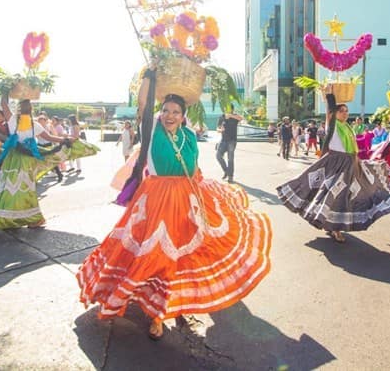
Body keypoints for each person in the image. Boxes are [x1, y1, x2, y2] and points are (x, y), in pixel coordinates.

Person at [77, 68, 271, 341]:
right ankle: (156, 316)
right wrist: (150, 77)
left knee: (182, 258)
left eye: (175, 112)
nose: (170, 116)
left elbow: (193, 170)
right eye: (166, 110)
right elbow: (143, 105)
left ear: (183, 116)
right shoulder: (152, 129)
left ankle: (167, 306)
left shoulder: (190, 136)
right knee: (154, 255)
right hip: (155, 201)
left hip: (185, 201)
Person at [276, 88, 390, 244]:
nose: (345, 113)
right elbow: (330, 112)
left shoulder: (348, 128)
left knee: (354, 195)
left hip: (351, 164)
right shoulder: (332, 125)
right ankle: (335, 229)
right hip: (337, 165)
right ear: (335, 114)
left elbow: (354, 147)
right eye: (341, 111)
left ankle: (335, 225)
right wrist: (329, 95)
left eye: (346, 111)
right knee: (336, 195)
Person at [0, 95, 69, 229]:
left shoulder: (14, 120)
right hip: (26, 160)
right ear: (31, 110)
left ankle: (5, 217)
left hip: (12, 158)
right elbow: (50, 137)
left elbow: (3, 104)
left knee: (7, 187)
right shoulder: (34, 125)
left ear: (18, 108)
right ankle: (30, 219)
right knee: (25, 189)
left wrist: (5, 90)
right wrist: (65, 140)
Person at [215, 104, 243, 183]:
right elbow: (217, 128)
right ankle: (226, 171)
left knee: (230, 159)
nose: (226, 110)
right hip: (223, 140)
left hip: (232, 140)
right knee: (218, 156)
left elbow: (241, 118)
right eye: (225, 108)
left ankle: (230, 176)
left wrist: (230, 115)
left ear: (232, 109)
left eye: (228, 108)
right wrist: (220, 130)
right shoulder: (222, 117)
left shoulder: (235, 116)